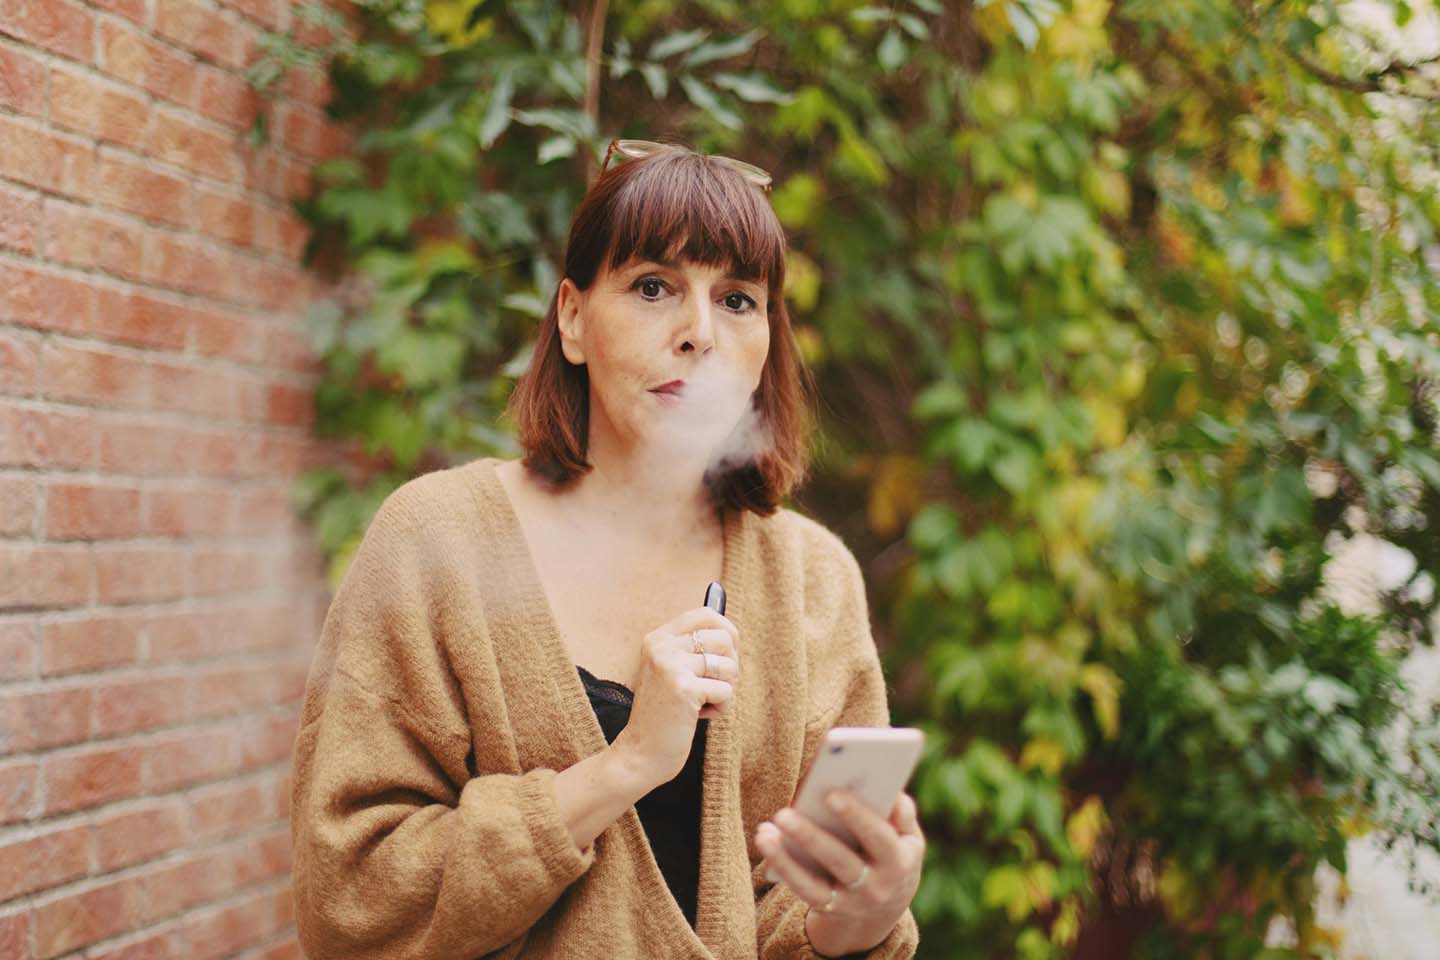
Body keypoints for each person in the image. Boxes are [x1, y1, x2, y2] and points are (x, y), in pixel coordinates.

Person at [289, 139, 924, 959]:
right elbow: (351, 898)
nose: (699, 333)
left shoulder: (813, 580)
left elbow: (790, 910)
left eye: (737, 299)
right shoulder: (435, 540)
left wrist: (859, 919)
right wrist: (622, 768)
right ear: (573, 317)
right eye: (654, 287)